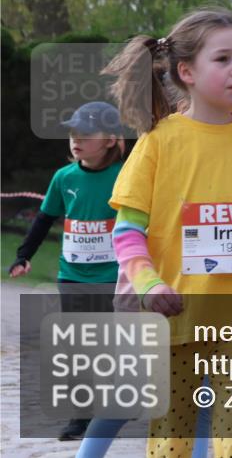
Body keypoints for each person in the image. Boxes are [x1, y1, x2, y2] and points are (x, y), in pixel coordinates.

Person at [103, 8, 232, 457]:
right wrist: (149, 284)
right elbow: (127, 231)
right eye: (223, 59)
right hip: (174, 318)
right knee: (171, 436)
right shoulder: (158, 140)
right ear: (186, 72)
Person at [9, 101, 125, 441]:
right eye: (73, 133)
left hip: (113, 277)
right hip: (72, 276)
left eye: (86, 134)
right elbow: (44, 219)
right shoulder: (64, 177)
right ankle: (80, 418)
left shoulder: (125, 176)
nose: (76, 140)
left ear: (110, 140)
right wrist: (23, 255)